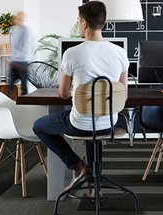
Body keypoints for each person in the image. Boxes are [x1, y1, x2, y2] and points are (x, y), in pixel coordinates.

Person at [33, 1, 129, 192]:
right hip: (109, 122)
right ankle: (94, 183)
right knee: (95, 126)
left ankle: (79, 166)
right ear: (103, 22)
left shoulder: (72, 53)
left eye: (79, 21)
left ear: (84, 23)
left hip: (80, 123)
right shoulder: (120, 53)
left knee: (39, 126)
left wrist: (77, 92)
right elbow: (123, 94)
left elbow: (62, 93)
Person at [9, 11, 33, 95]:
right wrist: (12, 58)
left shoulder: (26, 31)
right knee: (10, 85)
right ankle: (9, 103)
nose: (17, 21)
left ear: (23, 20)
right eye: (17, 19)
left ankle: (25, 104)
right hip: (14, 61)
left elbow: (26, 47)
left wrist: (17, 58)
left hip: (22, 61)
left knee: (24, 87)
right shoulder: (15, 29)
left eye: (20, 19)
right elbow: (14, 46)